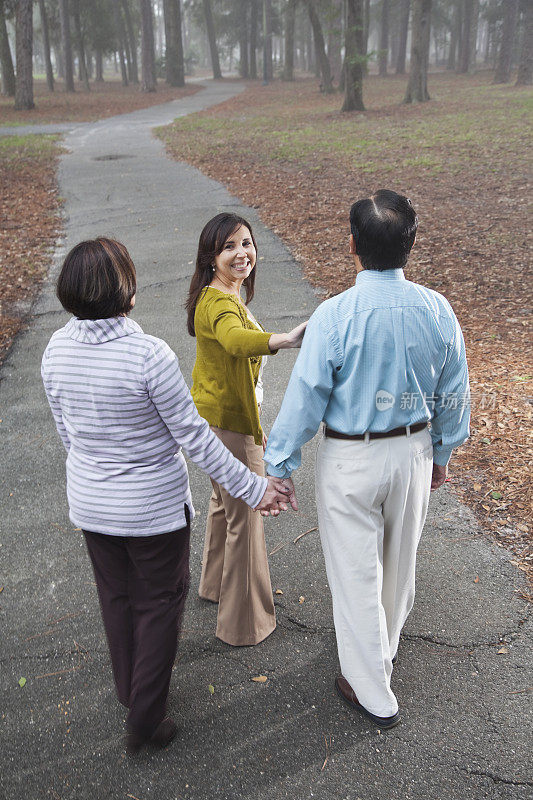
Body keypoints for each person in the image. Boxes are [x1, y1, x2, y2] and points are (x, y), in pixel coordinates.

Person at [41, 237, 293, 754]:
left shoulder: (55, 350)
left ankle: (131, 691)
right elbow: (195, 438)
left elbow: (68, 434)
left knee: (116, 599)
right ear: (127, 291)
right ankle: (145, 718)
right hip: (153, 510)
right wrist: (254, 487)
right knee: (157, 605)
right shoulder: (148, 355)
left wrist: (95, 473)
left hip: (92, 505)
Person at [264, 190, 470, 729]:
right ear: (412, 243)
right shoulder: (437, 309)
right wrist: (443, 452)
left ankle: (371, 686)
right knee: (399, 563)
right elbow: (454, 393)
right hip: (413, 450)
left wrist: (279, 465)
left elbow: (306, 396)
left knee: (355, 573)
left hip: (351, 457)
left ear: (351, 244)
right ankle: (384, 649)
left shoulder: (334, 316)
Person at [186, 213, 307, 646]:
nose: (242, 254)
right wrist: (285, 339)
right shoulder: (218, 303)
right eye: (230, 247)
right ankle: (244, 625)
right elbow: (237, 342)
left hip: (215, 419)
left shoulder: (222, 294)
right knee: (247, 518)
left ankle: (216, 586)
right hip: (230, 426)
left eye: (247, 243)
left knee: (225, 504)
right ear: (211, 256)